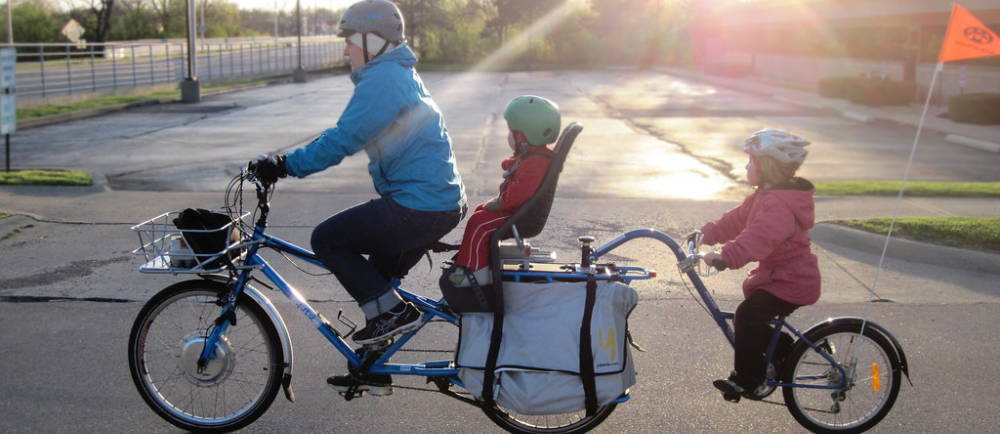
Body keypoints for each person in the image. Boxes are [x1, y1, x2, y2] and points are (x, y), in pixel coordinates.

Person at [248, 0, 466, 353]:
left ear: (373, 40)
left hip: (420, 206)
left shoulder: (384, 79)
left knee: (329, 240)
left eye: (350, 40)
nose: (345, 49)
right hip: (433, 202)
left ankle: (393, 316)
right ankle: (372, 365)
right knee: (377, 287)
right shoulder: (395, 73)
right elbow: (345, 131)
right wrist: (287, 160)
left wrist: (285, 166)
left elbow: (345, 138)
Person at [689, 128, 820, 402]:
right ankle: (785, 350)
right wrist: (707, 233)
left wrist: (726, 256)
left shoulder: (780, 206)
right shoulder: (765, 196)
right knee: (753, 318)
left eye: (751, 161)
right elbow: (737, 220)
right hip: (778, 277)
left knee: (747, 315)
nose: (746, 166)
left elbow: (758, 238)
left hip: (792, 281)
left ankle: (748, 379)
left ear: (768, 166)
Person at [446, 95, 560, 288]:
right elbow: (520, 173)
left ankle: (474, 272)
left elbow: (518, 194)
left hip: (523, 217)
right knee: (481, 211)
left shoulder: (536, 163)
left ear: (525, 136)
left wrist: (499, 203)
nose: (509, 136)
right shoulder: (536, 156)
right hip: (522, 212)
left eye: (512, 132)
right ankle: (475, 258)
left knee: (479, 223)